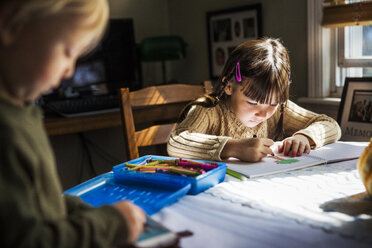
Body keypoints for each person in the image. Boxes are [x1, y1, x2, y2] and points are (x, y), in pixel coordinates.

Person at [0, 0, 145, 247]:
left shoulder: (23, 111)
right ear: (12, 27)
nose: (69, 72)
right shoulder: (6, 132)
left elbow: (42, 202)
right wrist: (111, 225)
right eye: (68, 52)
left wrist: (85, 211)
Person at [167, 38, 341, 162]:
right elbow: (176, 142)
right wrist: (233, 147)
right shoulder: (208, 111)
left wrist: (304, 137)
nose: (264, 113)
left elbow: (329, 124)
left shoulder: (280, 109)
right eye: (252, 102)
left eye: (273, 103)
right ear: (228, 86)